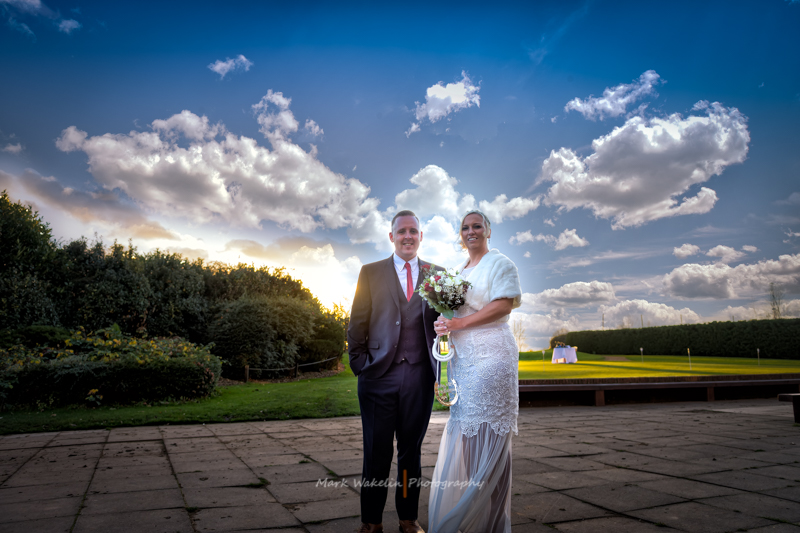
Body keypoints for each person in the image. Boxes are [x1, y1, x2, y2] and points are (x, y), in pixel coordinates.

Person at [347, 210, 443, 533]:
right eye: (401, 231)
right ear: (391, 236)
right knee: (376, 452)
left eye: (413, 231)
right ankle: (371, 521)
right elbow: (357, 323)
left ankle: (407, 518)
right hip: (377, 377)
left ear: (420, 236)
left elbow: (446, 324)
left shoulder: (437, 275)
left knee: (410, 453)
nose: (407, 236)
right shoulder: (371, 272)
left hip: (419, 378)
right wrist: (360, 365)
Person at [428, 210, 522, 533]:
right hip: (463, 363)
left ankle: (497, 519)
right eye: (465, 227)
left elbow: (503, 305)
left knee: (492, 436)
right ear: (460, 234)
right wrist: (444, 323)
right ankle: (480, 516)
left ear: (488, 230)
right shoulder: (455, 271)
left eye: (477, 226)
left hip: (493, 357)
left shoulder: (500, 264)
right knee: (469, 437)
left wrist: (458, 323)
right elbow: (451, 314)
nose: (471, 231)